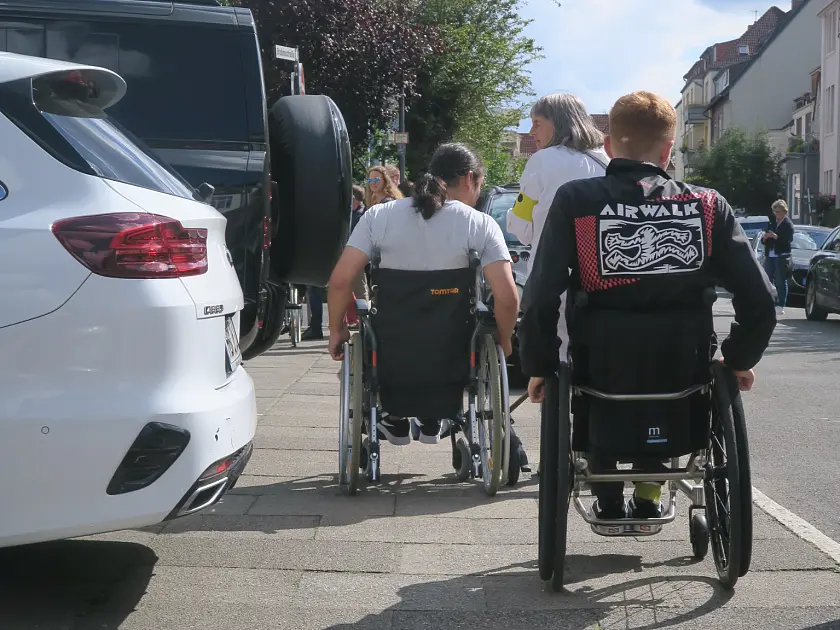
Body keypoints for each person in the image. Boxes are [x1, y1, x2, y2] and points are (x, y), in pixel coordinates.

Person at [518, 91, 776, 521]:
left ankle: (608, 490)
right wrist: (737, 359)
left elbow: (542, 294)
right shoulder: (707, 207)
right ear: (668, 148)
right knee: (670, 382)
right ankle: (650, 488)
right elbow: (760, 300)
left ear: (608, 145)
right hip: (683, 366)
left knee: (598, 382)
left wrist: (541, 364)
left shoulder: (577, 202)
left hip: (600, 364)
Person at [326, 143, 523, 451]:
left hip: (392, 345)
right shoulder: (478, 223)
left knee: (366, 345)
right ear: (470, 179)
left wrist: (336, 329)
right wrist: (506, 338)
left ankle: (392, 415)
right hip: (453, 349)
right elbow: (507, 297)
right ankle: (435, 416)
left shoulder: (379, 216)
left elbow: (340, 281)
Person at [507, 93, 609, 352]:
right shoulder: (608, 163)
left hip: (552, 281)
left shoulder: (542, 161)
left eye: (537, 122)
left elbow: (521, 226)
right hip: (603, 281)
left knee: (556, 360)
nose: (531, 131)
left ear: (558, 122)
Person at [762, 200, 794, 315]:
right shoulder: (772, 223)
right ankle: (768, 303)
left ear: (784, 212)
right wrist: (765, 238)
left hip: (781, 256)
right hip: (770, 254)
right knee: (767, 279)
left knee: (780, 280)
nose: (776, 214)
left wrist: (776, 237)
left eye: (779, 211)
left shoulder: (788, 224)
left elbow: (788, 241)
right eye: (775, 211)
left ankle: (780, 305)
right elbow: (764, 239)